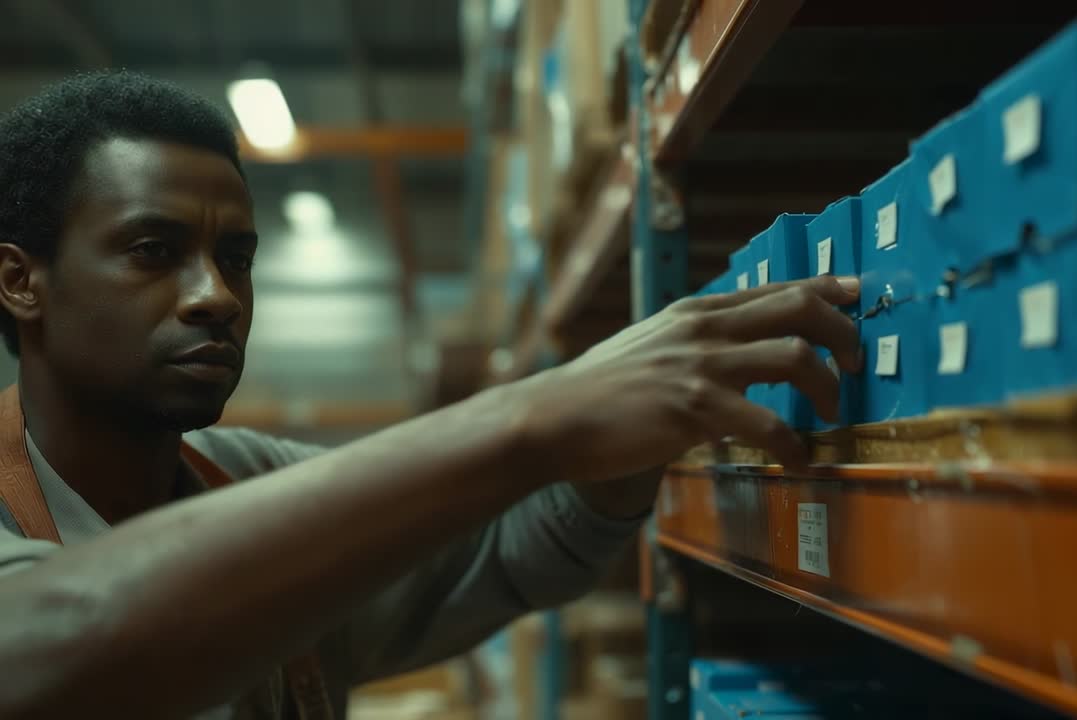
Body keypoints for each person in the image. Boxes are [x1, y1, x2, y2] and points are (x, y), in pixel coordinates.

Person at [0, 71, 861, 718]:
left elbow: (512, 551)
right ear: (20, 281)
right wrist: (533, 415)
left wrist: (627, 441)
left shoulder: (241, 476)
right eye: (154, 250)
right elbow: (59, 639)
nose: (216, 295)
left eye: (235, 258)